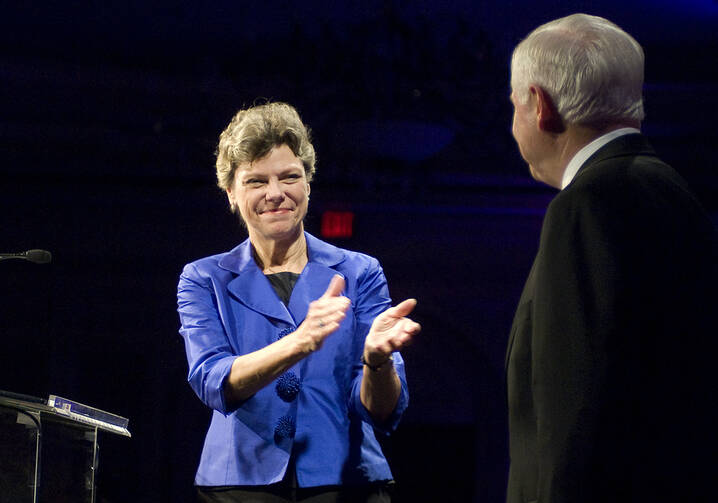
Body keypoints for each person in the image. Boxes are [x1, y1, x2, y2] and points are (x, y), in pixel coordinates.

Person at [505, 13, 718, 503]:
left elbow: (577, 416)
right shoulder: (670, 190)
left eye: (513, 104)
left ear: (539, 105)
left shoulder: (586, 205)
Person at [177, 102, 420, 503]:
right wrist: (299, 342)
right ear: (231, 193)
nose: (276, 194)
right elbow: (211, 380)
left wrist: (376, 362)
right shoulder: (204, 278)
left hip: (346, 482)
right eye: (256, 181)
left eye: (290, 177)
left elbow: (383, 410)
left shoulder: (360, 272)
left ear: (308, 184)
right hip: (240, 485)